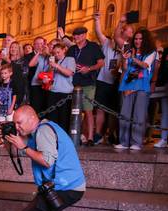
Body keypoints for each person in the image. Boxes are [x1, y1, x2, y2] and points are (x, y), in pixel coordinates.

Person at [2, 105, 91, 211]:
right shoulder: (36, 133)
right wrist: (10, 139)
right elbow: (18, 153)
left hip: (66, 186)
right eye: (15, 124)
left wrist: (24, 147)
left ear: (32, 118)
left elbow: (47, 160)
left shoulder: (43, 131)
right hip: (63, 185)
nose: (17, 127)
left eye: (19, 123)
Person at [115, 28, 157, 150]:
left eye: (140, 39)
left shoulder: (151, 52)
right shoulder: (129, 50)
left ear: (145, 40)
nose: (138, 41)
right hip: (128, 84)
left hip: (142, 85)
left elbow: (145, 65)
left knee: (139, 114)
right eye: (136, 39)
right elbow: (125, 68)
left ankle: (136, 142)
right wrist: (124, 58)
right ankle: (123, 142)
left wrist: (133, 57)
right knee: (125, 114)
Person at [66, 27, 105, 146]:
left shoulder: (93, 46)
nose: (75, 37)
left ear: (84, 35)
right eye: (74, 35)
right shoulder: (72, 49)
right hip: (73, 83)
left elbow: (101, 63)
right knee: (74, 111)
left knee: (88, 110)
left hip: (88, 82)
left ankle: (90, 138)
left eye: (78, 35)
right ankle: (75, 135)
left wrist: (88, 69)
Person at [92, 12, 122, 145]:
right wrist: (97, 20)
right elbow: (99, 33)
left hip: (116, 83)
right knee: (100, 109)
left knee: (113, 111)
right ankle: (98, 134)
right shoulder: (107, 44)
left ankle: (111, 134)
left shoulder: (124, 49)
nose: (117, 39)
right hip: (102, 81)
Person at [46, 43, 76, 132]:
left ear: (64, 50)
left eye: (58, 52)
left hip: (65, 92)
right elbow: (51, 76)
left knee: (64, 117)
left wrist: (56, 65)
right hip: (53, 91)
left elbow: (69, 73)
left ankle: (63, 136)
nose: (56, 55)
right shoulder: (55, 61)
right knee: (52, 116)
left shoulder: (69, 59)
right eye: (55, 53)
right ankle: (53, 135)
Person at [153, 47, 168, 148]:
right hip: (165, 85)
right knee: (165, 113)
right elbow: (163, 67)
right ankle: (163, 139)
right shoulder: (167, 50)